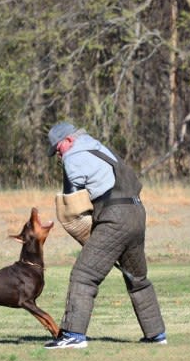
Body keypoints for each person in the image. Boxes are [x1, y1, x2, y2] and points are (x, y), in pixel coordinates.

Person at [44, 121, 167, 349]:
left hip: (114, 216)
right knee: (137, 279)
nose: (58, 155)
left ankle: (73, 335)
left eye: (58, 149)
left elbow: (73, 202)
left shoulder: (73, 157)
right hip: (137, 212)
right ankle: (157, 334)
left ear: (69, 140)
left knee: (84, 274)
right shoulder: (100, 148)